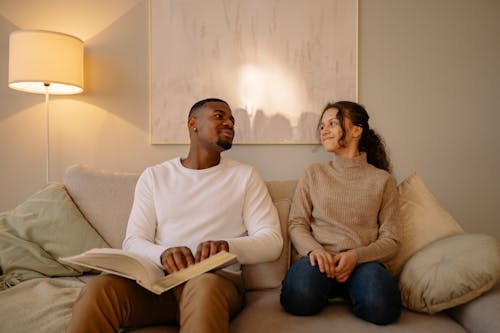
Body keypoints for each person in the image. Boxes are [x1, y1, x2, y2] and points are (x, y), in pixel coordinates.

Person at [66, 98, 283, 333]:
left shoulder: (245, 176)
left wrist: (226, 247)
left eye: (232, 120)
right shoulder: (155, 177)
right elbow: (133, 241)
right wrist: (163, 255)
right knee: (99, 289)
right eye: (220, 116)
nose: (230, 123)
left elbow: (272, 241)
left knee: (202, 286)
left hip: (215, 283)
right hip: (159, 285)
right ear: (193, 124)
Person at [280, 101, 402, 325]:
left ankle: (354, 291)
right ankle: (333, 290)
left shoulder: (383, 180)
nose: (324, 130)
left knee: (383, 309)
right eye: (322, 126)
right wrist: (315, 250)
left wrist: (356, 257)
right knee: (298, 298)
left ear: (356, 130)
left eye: (332, 124)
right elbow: (297, 223)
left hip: (363, 263)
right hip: (318, 260)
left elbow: (392, 240)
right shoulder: (312, 173)